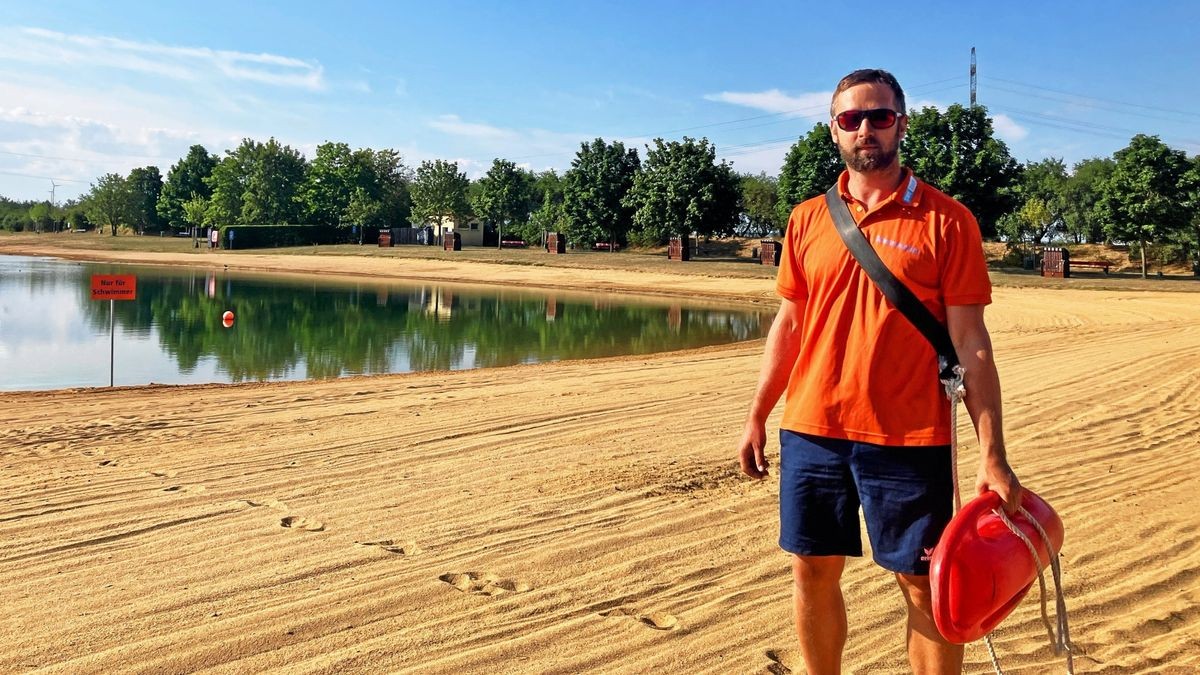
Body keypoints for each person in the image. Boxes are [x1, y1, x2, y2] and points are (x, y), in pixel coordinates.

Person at [735, 68, 1022, 675]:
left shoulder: (948, 221)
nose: (866, 128)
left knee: (925, 585)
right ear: (834, 131)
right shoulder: (807, 218)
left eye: (879, 116)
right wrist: (759, 413)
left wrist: (991, 452)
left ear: (901, 123)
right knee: (811, 572)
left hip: (910, 437)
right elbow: (788, 325)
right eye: (851, 119)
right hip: (812, 430)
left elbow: (972, 343)